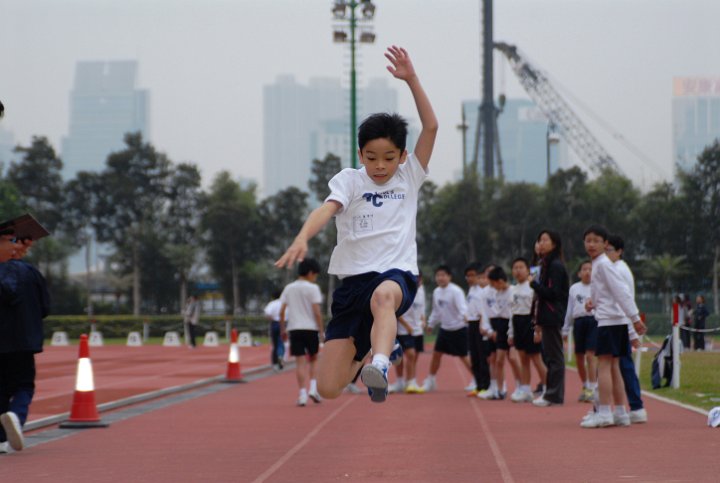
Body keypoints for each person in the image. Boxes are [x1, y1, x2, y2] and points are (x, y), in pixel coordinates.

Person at [274, 45, 438, 404]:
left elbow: (431, 126)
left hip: (396, 276)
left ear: (403, 156)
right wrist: (302, 236)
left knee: (384, 297)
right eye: (372, 158)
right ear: (360, 154)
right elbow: (326, 209)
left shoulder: (409, 177)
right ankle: (373, 355)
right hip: (352, 286)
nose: (380, 166)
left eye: (389, 158)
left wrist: (411, 79)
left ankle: (380, 362)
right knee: (329, 388)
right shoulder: (350, 181)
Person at [581, 225, 646, 428]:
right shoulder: (602, 264)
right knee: (615, 366)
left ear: (605, 244)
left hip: (610, 322)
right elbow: (608, 292)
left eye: (596, 240)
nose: (591, 244)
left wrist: (634, 318)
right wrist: (594, 302)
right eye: (588, 240)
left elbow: (621, 292)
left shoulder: (603, 264)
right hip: (614, 319)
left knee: (605, 366)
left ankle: (604, 413)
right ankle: (620, 412)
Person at [1, 235, 48, 454]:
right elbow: (45, 307)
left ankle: (1, 439)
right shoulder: (30, 273)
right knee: (24, 384)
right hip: (24, 340)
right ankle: (16, 417)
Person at [606, 235, 647, 423]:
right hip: (618, 322)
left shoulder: (619, 270)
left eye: (609, 250)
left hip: (620, 323)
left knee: (623, 366)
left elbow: (624, 299)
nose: (606, 254)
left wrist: (631, 329)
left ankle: (635, 407)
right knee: (618, 366)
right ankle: (629, 407)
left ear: (619, 251)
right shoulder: (614, 268)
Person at [530, 230, 569, 407]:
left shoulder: (555, 266)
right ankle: (551, 393)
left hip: (552, 314)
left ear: (554, 244)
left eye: (545, 240)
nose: (541, 243)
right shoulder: (545, 264)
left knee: (555, 357)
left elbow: (554, 293)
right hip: (546, 314)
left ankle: (553, 395)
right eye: (540, 240)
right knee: (550, 356)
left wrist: (534, 284)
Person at [279, 258, 324, 406]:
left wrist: (282, 329)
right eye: (315, 274)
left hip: (294, 328)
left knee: (300, 362)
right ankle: (313, 388)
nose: (315, 277)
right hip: (311, 329)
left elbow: (281, 311)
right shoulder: (313, 288)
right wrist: (322, 331)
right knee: (314, 359)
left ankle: (302, 394)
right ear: (310, 273)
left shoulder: (289, 288)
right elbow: (317, 312)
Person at [421, 266, 471, 392]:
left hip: (459, 328)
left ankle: (478, 380)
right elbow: (436, 311)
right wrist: (431, 324)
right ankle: (431, 380)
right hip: (445, 329)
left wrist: (465, 317)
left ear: (449, 277)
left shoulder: (456, 291)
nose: (440, 278)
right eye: (438, 275)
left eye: (443, 275)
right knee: (436, 354)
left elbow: (462, 307)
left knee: (464, 356)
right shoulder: (436, 292)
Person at [509, 257, 547, 403]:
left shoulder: (533, 287)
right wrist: (510, 333)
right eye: (515, 268)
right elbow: (511, 311)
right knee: (523, 358)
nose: (518, 271)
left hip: (530, 322)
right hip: (517, 322)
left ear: (527, 270)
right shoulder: (513, 289)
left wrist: (538, 329)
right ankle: (525, 389)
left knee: (536, 358)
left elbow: (538, 309)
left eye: (521, 267)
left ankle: (547, 388)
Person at [562, 260, 597, 403]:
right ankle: (585, 385)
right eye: (584, 269)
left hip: (594, 321)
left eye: (590, 269)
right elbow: (569, 310)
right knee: (579, 356)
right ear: (579, 273)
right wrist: (565, 329)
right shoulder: (574, 288)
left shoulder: (597, 287)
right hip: (579, 322)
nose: (588, 272)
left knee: (590, 355)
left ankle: (593, 388)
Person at [478, 267, 514, 400]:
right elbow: (485, 311)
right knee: (493, 359)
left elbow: (508, 312)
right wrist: (488, 330)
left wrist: (508, 331)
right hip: (493, 326)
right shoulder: (487, 292)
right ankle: (495, 388)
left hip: (506, 326)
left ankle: (514, 386)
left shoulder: (508, 291)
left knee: (511, 358)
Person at [389, 273, 426, 394]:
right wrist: (407, 326)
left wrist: (424, 320)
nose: (418, 280)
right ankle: (403, 381)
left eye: (419, 278)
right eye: (416, 278)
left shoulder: (421, 291)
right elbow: (396, 311)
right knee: (405, 355)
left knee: (414, 356)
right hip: (404, 330)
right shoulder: (404, 290)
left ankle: (411, 381)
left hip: (417, 329)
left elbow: (422, 309)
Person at [464, 262, 490, 396]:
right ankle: (478, 385)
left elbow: (483, 310)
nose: (470, 278)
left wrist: (482, 324)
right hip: (471, 324)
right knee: (473, 355)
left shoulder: (481, 292)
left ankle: (485, 385)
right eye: (467, 276)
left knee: (481, 356)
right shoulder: (471, 290)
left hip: (480, 324)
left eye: (473, 276)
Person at [263, 290, 284, 371]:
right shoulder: (284, 303)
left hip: (274, 323)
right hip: (283, 323)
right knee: (281, 342)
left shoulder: (272, 303)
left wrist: (272, 319)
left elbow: (267, 313)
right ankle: (280, 355)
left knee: (275, 344)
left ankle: (275, 363)